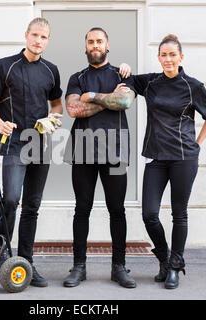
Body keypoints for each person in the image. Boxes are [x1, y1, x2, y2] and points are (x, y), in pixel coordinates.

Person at [129, 34, 206, 289]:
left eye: (172, 55)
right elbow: (129, 80)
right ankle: (165, 258)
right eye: (163, 55)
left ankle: (175, 266)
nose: (168, 59)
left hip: (183, 158)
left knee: (179, 214)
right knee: (149, 214)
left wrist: (197, 144)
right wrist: (124, 69)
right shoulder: (151, 83)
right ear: (159, 58)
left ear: (181, 57)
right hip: (156, 157)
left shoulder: (193, 86)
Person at [0, 17, 63, 287]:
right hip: (14, 143)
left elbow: (57, 106)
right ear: (26, 35)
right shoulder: (5, 66)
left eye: (43, 37)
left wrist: (52, 120)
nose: (38, 40)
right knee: (11, 199)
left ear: (48, 41)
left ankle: (26, 263)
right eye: (35, 35)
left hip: (40, 145)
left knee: (32, 206)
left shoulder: (51, 71)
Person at [63, 27, 137, 289]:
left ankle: (119, 267)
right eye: (91, 41)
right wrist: (110, 99)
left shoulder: (122, 74)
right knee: (82, 209)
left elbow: (125, 103)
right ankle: (79, 266)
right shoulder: (76, 77)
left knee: (117, 210)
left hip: (116, 152)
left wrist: (92, 97)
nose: (95, 45)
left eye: (100, 41)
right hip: (82, 151)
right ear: (85, 47)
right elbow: (73, 108)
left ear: (107, 46)